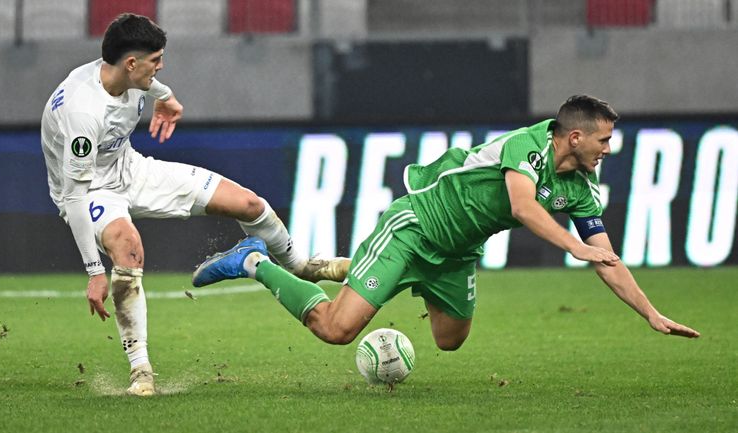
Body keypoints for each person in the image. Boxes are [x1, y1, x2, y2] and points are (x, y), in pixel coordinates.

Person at [193, 95, 700, 354]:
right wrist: (575, 246)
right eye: (603, 140)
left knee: (449, 340)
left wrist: (650, 313)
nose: (608, 148)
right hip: (414, 229)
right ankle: (254, 261)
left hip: (456, 254)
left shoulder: (582, 188)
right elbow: (523, 206)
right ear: (573, 137)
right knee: (336, 330)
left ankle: (358, 269)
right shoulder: (527, 146)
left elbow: (606, 258)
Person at [40, 13, 347, 396]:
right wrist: (93, 271)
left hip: (131, 168)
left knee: (249, 204)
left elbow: (151, 84)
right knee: (128, 247)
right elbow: (74, 196)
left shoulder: (125, 75)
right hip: (90, 191)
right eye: (156, 60)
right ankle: (141, 370)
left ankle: (300, 266)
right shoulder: (83, 114)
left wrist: (165, 97)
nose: (161, 66)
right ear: (131, 63)